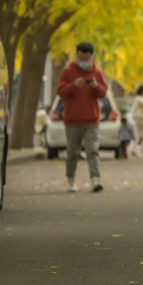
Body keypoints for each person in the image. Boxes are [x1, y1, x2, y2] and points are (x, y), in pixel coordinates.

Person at [57, 42, 107, 193]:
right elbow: (60, 91)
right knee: (72, 152)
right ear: (76, 55)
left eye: (87, 57)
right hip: (72, 121)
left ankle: (95, 180)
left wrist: (95, 87)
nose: (84, 60)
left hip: (92, 120)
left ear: (91, 57)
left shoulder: (97, 73)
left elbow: (103, 92)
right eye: (81, 57)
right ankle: (71, 180)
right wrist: (74, 85)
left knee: (92, 150)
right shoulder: (67, 71)